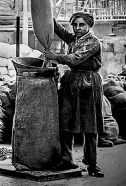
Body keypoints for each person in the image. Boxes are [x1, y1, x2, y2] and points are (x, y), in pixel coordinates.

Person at [44, 11, 104, 178]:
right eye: (75, 25)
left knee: (89, 125)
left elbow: (75, 58)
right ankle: (66, 159)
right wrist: (45, 12)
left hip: (88, 84)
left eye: (82, 25)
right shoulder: (73, 39)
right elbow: (59, 30)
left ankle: (92, 163)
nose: (78, 28)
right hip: (71, 82)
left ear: (89, 26)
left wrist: (55, 57)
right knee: (65, 121)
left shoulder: (93, 41)